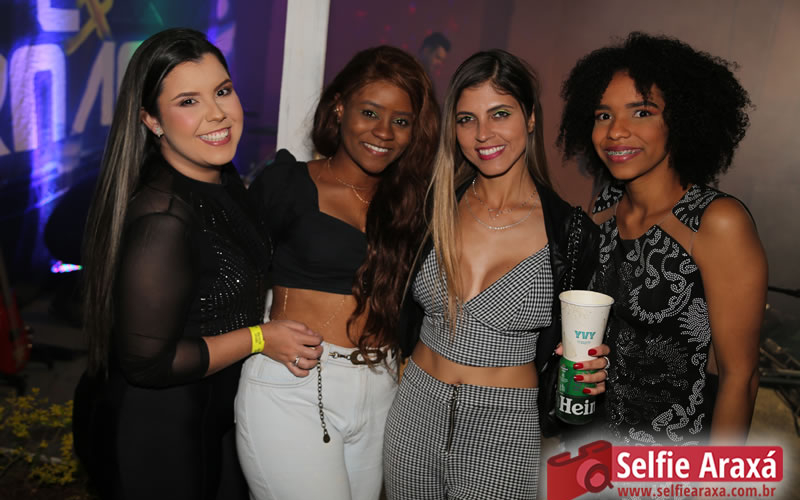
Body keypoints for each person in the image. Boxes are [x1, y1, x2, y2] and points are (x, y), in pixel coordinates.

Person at [76, 28, 318, 500]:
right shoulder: (163, 218)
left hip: (214, 416)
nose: (217, 113)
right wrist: (261, 337)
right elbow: (148, 363)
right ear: (152, 120)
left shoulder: (222, 181)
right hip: (155, 435)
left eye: (222, 91)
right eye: (188, 101)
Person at [382, 49, 607, 500]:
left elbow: (586, 343)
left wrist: (594, 365)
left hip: (504, 426)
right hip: (415, 410)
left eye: (499, 113)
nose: (483, 134)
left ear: (530, 117)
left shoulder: (570, 233)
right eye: (466, 119)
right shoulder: (434, 205)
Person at [236, 45, 439, 500]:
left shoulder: (413, 206)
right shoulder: (287, 183)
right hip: (295, 383)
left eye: (401, 121)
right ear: (340, 106)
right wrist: (256, 336)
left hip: (382, 386)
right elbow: (227, 279)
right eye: (370, 112)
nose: (383, 131)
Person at [557, 32, 767, 445]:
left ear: (681, 120)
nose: (616, 131)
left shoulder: (715, 222)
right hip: (595, 452)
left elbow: (740, 379)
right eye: (603, 115)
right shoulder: (604, 209)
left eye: (641, 112)